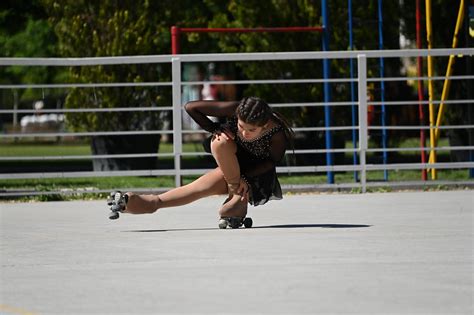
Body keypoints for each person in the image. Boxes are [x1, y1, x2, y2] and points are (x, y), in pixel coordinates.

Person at [107, 96, 294, 227]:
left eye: (251, 130)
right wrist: (214, 128)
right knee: (219, 142)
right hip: (232, 169)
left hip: (256, 175)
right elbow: (191, 107)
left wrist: (246, 179)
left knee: (226, 209)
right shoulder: (238, 109)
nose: (244, 133)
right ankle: (140, 203)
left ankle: (236, 200)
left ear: (264, 125)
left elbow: (271, 162)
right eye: (240, 126)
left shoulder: (276, 133)